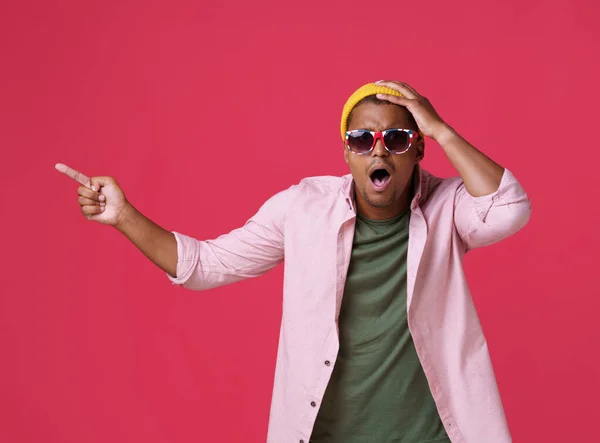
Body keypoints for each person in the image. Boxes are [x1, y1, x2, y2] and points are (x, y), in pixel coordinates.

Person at [56, 80, 531, 443]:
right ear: (347, 151)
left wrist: (441, 128)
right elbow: (203, 265)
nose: (379, 149)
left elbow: (510, 209)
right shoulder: (303, 208)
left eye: (398, 139)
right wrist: (123, 216)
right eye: (363, 139)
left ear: (419, 148)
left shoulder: (449, 206)